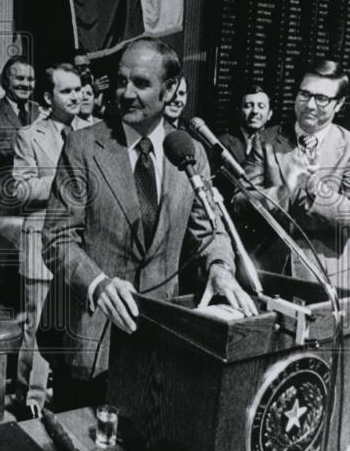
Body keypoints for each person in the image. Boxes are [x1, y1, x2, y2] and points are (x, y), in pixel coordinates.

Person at [39, 39, 256, 410]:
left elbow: (210, 229)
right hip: (89, 336)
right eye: (121, 82)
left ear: (170, 89)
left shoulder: (189, 151)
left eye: (141, 83)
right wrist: (98, 283)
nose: (126, 93)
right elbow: (57, 238)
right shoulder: (82, 146)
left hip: (160, 336)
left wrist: (220, 268)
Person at [234, 60, 350, 289]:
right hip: (267, 272)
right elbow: (240, 203)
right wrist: (284, 189)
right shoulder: (265, 140)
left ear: (338, 104)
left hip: (325, 279)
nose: (310, 105)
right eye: (304, 94)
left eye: (322, 99)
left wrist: (314, 187)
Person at [10, 63, 95, 418]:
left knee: (72, 325)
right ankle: (30, 402)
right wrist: (65, 180)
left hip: (80, 248)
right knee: (37, 327)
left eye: (78, 90)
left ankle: (67, 401)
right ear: (48, 97)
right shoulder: (30, 136)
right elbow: (20, 189)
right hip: (40, 244)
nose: (76, 97)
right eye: (67, 91)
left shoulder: (94, 133)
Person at [0, 56, 41, 219]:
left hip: (34, 206)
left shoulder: (39, 112)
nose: (26, 84)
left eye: (30, 79)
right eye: (19, 78)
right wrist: (25, 145)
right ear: (5, 81)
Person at [217, 84, 277, 165]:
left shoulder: (279, 145)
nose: (255, 111)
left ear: (270, 114)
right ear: (239, 112)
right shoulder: (222, 142)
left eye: (261, 106)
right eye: (248, 106)